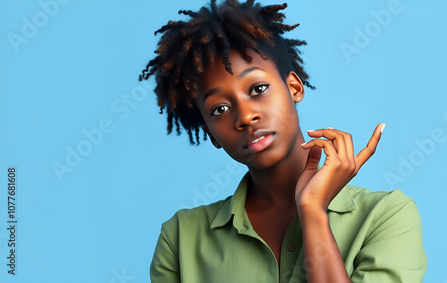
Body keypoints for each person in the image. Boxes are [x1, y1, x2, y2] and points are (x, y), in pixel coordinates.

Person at [140, 1, 427, 282]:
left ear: (294, 87)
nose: (245, 116)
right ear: (211, 132)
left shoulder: (386, 216)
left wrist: (313, 211)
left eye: (258, 88)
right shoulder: (180, 239)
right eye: (220, 109)